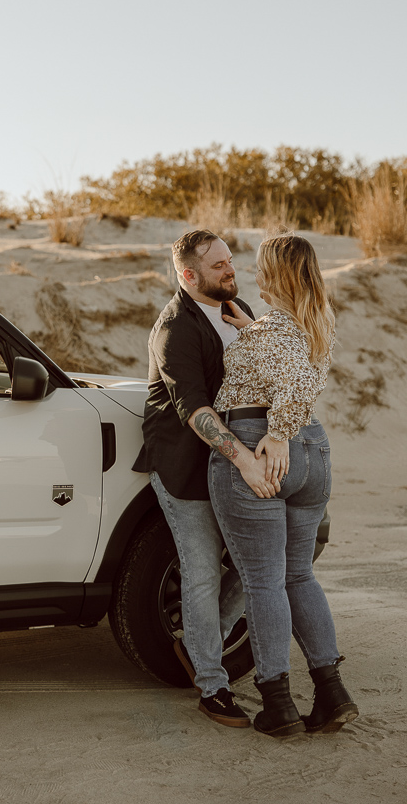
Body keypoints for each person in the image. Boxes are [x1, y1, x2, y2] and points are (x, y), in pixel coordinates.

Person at [199, 232, 358, 737]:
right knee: (298, 576)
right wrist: (251, 331)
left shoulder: (280, 332)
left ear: (280, 274)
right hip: (316, 452)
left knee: (263, 581)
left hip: (263, 442)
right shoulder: (311, 322)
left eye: (263, 268)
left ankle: (279, 705)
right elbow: (292, 363)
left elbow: (290, 382)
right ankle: (332, 695)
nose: (256, 275)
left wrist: (277, 432)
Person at [136, 228, 261, 728]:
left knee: (261, 565)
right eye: (218, 266)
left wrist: (255, 331)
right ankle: (212, 686)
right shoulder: (173, 330)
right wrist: (245, 461)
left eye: (230, 260)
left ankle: (200, 637)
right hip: (185, 467)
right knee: (204, 570)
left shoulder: (239, 309)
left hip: (239, 462)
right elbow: (196, 412)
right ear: (188, 276)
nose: (231, 270)